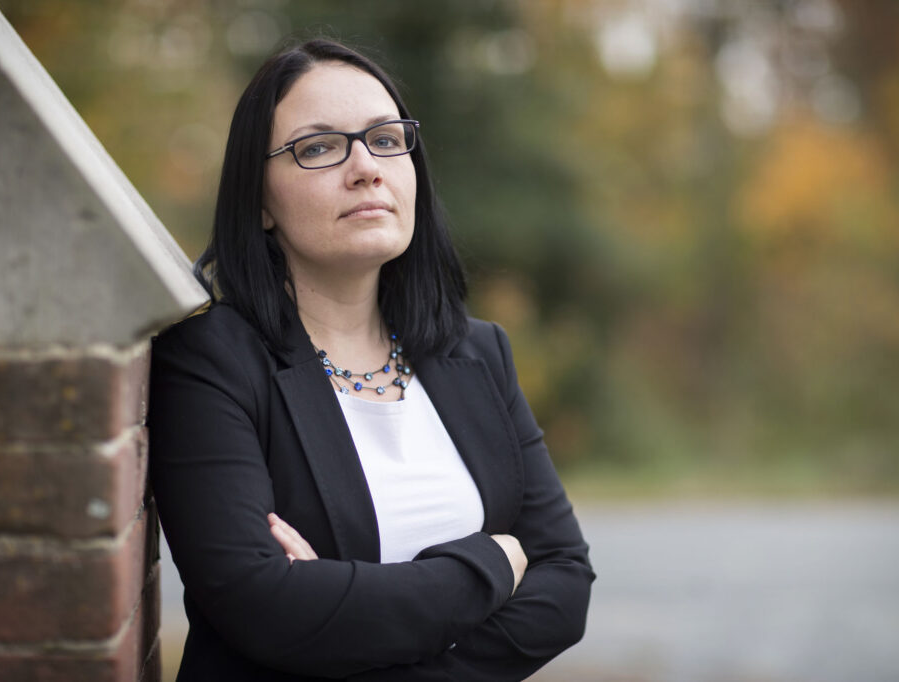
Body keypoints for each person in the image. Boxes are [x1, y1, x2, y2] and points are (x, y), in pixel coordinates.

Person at [147, 38, 594, 682]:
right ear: (260, 201)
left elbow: (564, 582)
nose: (366, 167)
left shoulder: (478, 353)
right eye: (320, 147)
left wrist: (339, 609)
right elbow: (262, 604)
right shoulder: (209, 360)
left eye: (386, 138)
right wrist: (491, 565)